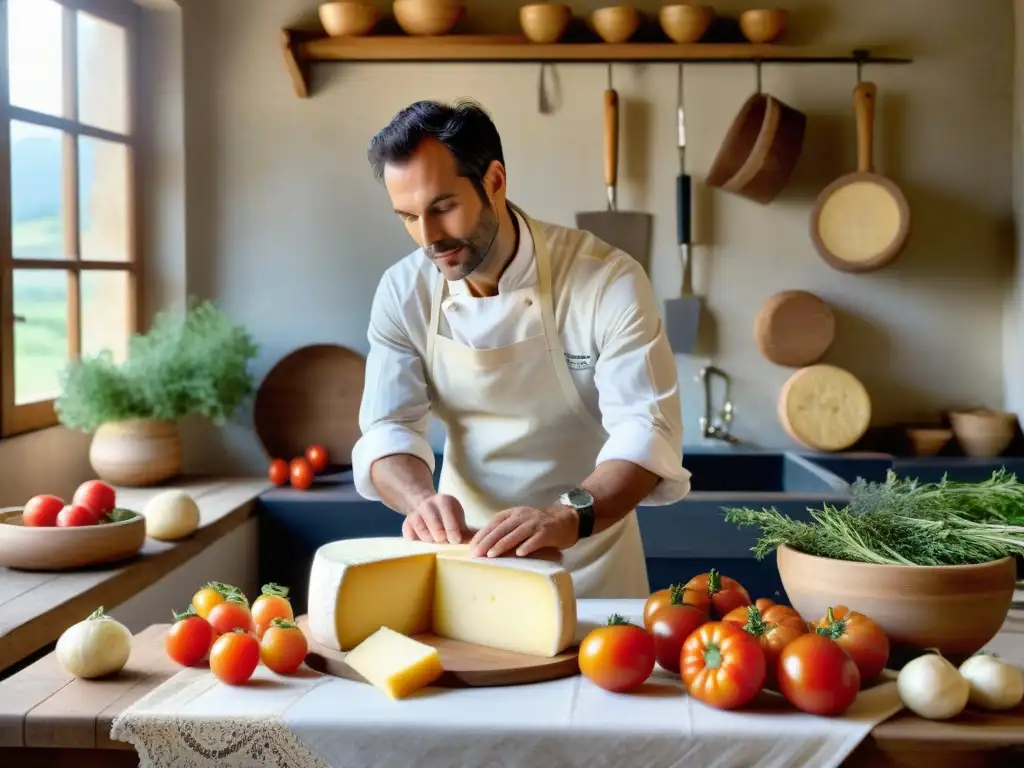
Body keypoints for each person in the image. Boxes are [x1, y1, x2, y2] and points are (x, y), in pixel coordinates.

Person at [351, 99, 692, 599]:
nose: (429, 238)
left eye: (443, 208)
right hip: (468, 566)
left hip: (591, 572)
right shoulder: (404, 292)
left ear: (493, 181)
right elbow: (388, 428)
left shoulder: (605, 279)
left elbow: (647, 429)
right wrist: (422, 501)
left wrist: (565, 516)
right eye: (408, 216)